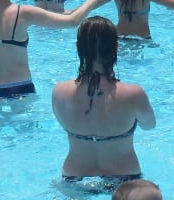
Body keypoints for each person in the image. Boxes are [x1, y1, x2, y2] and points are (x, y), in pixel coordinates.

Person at [51, 17, 155, 186]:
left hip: (74, 178)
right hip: (123, 177)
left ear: (78, 47)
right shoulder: (133, 94)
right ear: (116, 47)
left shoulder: (59, 92)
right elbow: (149, 125)